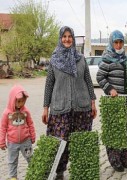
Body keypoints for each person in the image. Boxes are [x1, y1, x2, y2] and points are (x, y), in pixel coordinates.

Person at [42, 26, 97, 180]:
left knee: (81, 141)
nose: (67, 39)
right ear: (60, 39)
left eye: (69, 36)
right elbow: (49, 85)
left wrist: (93, 102)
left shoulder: (80, 59)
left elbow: (88, 81)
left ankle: (82, 172)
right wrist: (45, 108)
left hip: (82, 107)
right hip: (60, 108)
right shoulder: (54, 60)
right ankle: (59, 172)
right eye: (64, 36)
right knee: (61, 142)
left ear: (73, 39)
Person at [96, 30, 127, 172]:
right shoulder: (107, 58)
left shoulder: (125, 58)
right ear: (111, 43)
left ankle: (123, 159)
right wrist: (110, 89)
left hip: (125, 102)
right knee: (114, 131)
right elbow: (100, 77)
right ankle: (114, 161)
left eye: (120, 42)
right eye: (116, 42)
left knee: (125, 130)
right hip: (113, 102)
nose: (118, 45)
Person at [0, 85, 36, 180]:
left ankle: (34, 173)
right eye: (19, 101)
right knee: (12, 161)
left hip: (26, 141)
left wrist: (32, 136)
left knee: (30, 158)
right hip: (12, 143)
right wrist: (2, 141)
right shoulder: (7, 113)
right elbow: (3, 128)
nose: (21, 104)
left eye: (23, 101)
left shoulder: (26, 111)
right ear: (12, 99)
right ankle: (13, 177)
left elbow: (30, 123)